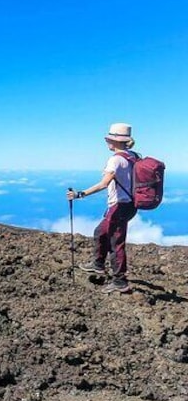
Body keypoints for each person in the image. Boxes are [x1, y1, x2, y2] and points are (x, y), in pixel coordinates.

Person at [66, 122, 138, 294]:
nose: (107, 142)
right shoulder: (133, 156)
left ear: (116, 141)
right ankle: (98, 265)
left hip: (119, 206)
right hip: (129, 205)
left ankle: (120, 282)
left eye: (109, 139)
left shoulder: (115, 160)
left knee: (116, 243)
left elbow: (104, 184)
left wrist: (80, 194)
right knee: (101, 232)